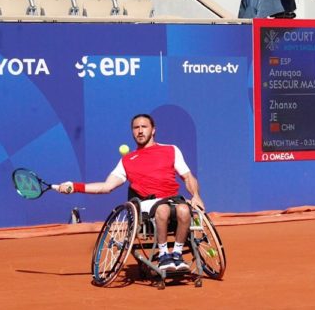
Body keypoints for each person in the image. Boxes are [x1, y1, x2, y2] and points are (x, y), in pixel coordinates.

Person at [56, 113, 204, 272]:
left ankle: (176, 254)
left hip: (173, 199)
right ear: (132, 131)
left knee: (184, 209)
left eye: (144, 127)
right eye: (136, 128)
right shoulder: (127, 160)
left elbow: (188, 177)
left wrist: (196, 195)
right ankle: (163, 255)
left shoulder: (171, 150)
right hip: (148, 204)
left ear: (153, 130)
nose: (140, 131)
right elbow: (106, 186)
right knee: (163, 209)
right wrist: (75, 186)